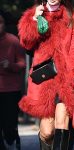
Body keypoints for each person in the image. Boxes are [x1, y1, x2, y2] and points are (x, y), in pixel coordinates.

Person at [17, 0, 74, 149]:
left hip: (66, 77)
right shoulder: (34, 14)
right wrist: (34, 20)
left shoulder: (72, 16)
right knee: (47, 131)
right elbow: (26, 44)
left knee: (62, 123)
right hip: (44, 78)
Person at [0, 10, 26, 150]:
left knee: (9, 127)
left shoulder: (13, 41)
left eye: (0, 22)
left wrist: (9, 65)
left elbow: (23, 64)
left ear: (4, 24)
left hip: (11, 90)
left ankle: (12, 135)